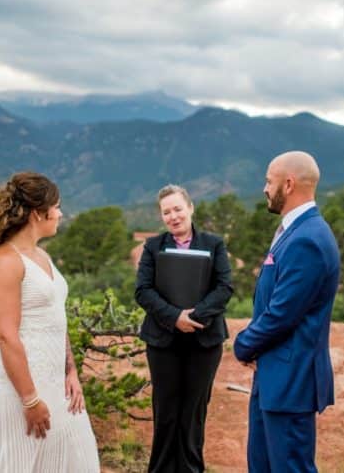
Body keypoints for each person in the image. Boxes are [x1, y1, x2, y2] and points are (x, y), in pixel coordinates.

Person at [0, 172, 100, 472]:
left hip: (56, 384)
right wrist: (29, 400)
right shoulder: (4, 261)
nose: (61, 214)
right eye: (57, 206)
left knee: (79, 458)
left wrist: (71, 371)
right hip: (17, 391)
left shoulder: (41, 255)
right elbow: (5, 336)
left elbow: (56, 316)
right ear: (37, 213)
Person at [233, 151, 340, 473]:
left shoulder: (308, 239)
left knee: (290, 468)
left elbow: (283, 313)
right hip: (273, 377)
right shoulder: (294, 232)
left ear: (289, 184)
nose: (265, 188)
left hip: (291, 380)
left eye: (269, 181)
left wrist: (244, 345)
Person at [135, 184, 234, 473]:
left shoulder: (214, 244)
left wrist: (194, 316)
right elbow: (143, 290)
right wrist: (175, 316)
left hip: (204, 343)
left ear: (190, 208)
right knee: (165, 411)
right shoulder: (153, 246)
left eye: (177, 208)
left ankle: (191, 469)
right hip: (163, 342)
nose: (173, 216)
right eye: (166, 212)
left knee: (193, 413)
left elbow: (224, 287)